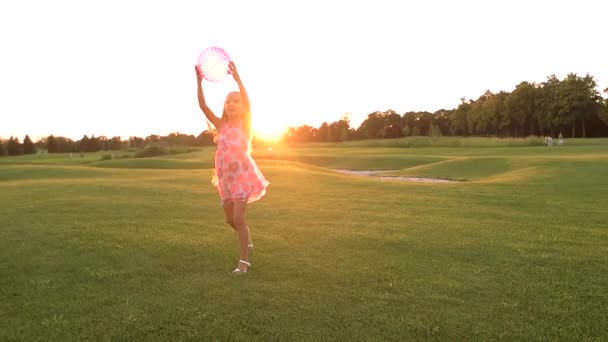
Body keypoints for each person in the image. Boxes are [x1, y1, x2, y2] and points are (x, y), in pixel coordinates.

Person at [195, 61, 269, 273]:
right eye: (228, 101)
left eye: (236, 101)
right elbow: (203, 106)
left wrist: (237, 79)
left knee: (239, 218)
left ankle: (244, 262)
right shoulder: (222, 126)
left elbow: (248, 101)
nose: (232, 104)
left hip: (243, 177)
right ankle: (248, 240)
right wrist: (199, 81)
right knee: (230, 220)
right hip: (225, 179)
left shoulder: (245, 125)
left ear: (243, 106)